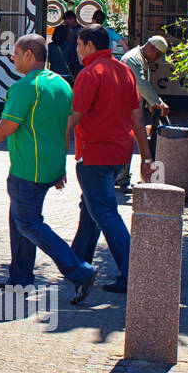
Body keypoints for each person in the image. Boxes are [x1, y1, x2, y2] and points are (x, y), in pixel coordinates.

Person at [0, 34, 96, 304]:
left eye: (16, 54)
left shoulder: (24, 87)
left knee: (29, 223)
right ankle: (20, 278)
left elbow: (5, 129)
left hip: (28, 170)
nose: (13, 58)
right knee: (18, 219)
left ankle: (80, 271)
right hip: (50, 166)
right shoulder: (63, 85)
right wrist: (60, 165)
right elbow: (65, 127)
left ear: (29, 55)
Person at [67, 24, 157, 294]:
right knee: (91, 209)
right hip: (120, 155)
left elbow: (74, 117)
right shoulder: (125, 71)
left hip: (94, 155)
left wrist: (51, 143)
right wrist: (146, 157)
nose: (77, 50)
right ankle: (74, 264)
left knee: (104, 213)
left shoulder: (89, 73)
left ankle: (134, 274)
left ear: (91, 46)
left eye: (80, 45)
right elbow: (138, 118)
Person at [120, 35, 171, 185]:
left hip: (129, 108)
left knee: (127, 141)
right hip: (125, 109)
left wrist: (150, 103)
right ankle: (120, 177)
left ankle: (121, 177)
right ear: (151, 47)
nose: (157, 58)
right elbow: (140, 84)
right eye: (158, 54)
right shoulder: (133, 59)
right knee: (126, 141)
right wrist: (158, 102)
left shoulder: (139, 59)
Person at [60, 9, 84, 83]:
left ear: (73, 19)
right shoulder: (64, 30)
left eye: (67, 21)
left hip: (78, 60)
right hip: (68, 60)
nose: (65, 23)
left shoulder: (81, 30)